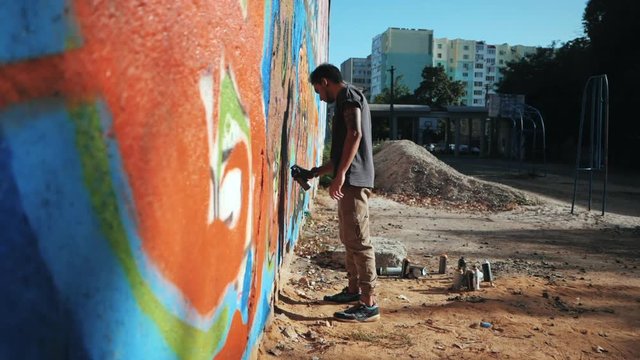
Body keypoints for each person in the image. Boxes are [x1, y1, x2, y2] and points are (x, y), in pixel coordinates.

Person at [303, 63, 378, 322]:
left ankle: (368, 304)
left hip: (355, 181)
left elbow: (355, 134)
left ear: (325, 82)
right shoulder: (344, 101)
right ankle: (353, 291)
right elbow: (338, 156)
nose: (320, 98)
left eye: (318, 91)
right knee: (349, 238)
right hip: (350, 178)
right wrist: (314, 172)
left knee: (358, 240)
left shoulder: (349, 96)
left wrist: (342, 174)